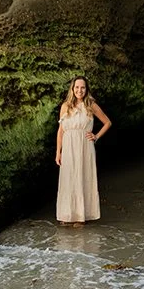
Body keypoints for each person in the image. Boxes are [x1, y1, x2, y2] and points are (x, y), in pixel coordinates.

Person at [55, 76, 111, 227]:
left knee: (82, 177)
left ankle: (81, 216)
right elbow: (61, 131)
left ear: (86, 90)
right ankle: (67, 214)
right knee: (68, 179)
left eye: (83, 88)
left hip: (84, 146)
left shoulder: (90, 105)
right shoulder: (65, 106)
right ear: (72, 89)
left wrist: (96, 136)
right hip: (68, 146)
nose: (79, 90)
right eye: (77, 87)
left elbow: (107, 122)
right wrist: (58, 152)